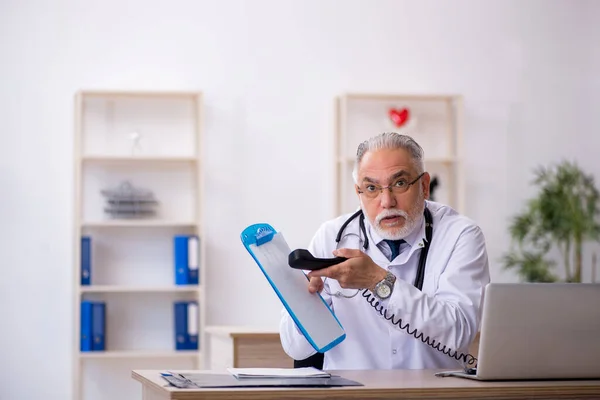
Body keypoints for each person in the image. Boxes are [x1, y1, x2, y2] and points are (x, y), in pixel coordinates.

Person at [279, 132, 490, 370]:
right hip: (352, 395)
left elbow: (459, 332)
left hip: (432, 393)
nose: (387, 201)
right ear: (358, 193)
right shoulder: (331, 236)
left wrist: (378, 281)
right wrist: (310, 307)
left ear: (424, 185)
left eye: (399, 183)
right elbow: (295, 348)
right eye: (371, 188)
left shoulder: (460, 235)